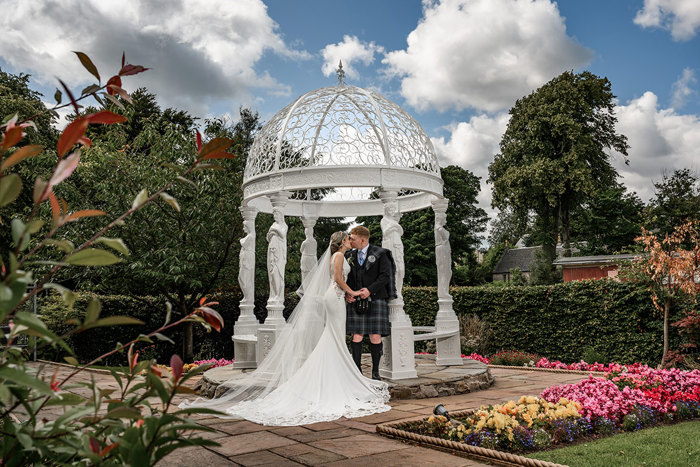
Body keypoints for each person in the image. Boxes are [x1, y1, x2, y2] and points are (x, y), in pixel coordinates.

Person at [180, 231, 390, 426]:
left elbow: (337, 281)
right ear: (342, 241)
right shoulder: (338, 257)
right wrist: (351, 291)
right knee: (333, 336)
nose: (350, 240)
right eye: (348, 238)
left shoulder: (338, 257)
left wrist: (346, 293)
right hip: (334, 299)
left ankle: (337, 374)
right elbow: (337, 279)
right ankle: (335, 377)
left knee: (333, 336)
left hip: (335, 297)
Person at [345, 226, 395, 380]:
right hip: (356, 299)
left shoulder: (380, 254)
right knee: (356, 335)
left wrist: (370, 290)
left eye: (352, 238)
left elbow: (385, 276)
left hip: (376, 298)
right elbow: (347, 278)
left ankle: (375, 372)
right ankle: (357, 372)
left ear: (363, 239)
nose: (350, 241)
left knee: (375, 336)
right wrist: (348, 293)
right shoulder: (349, 255)